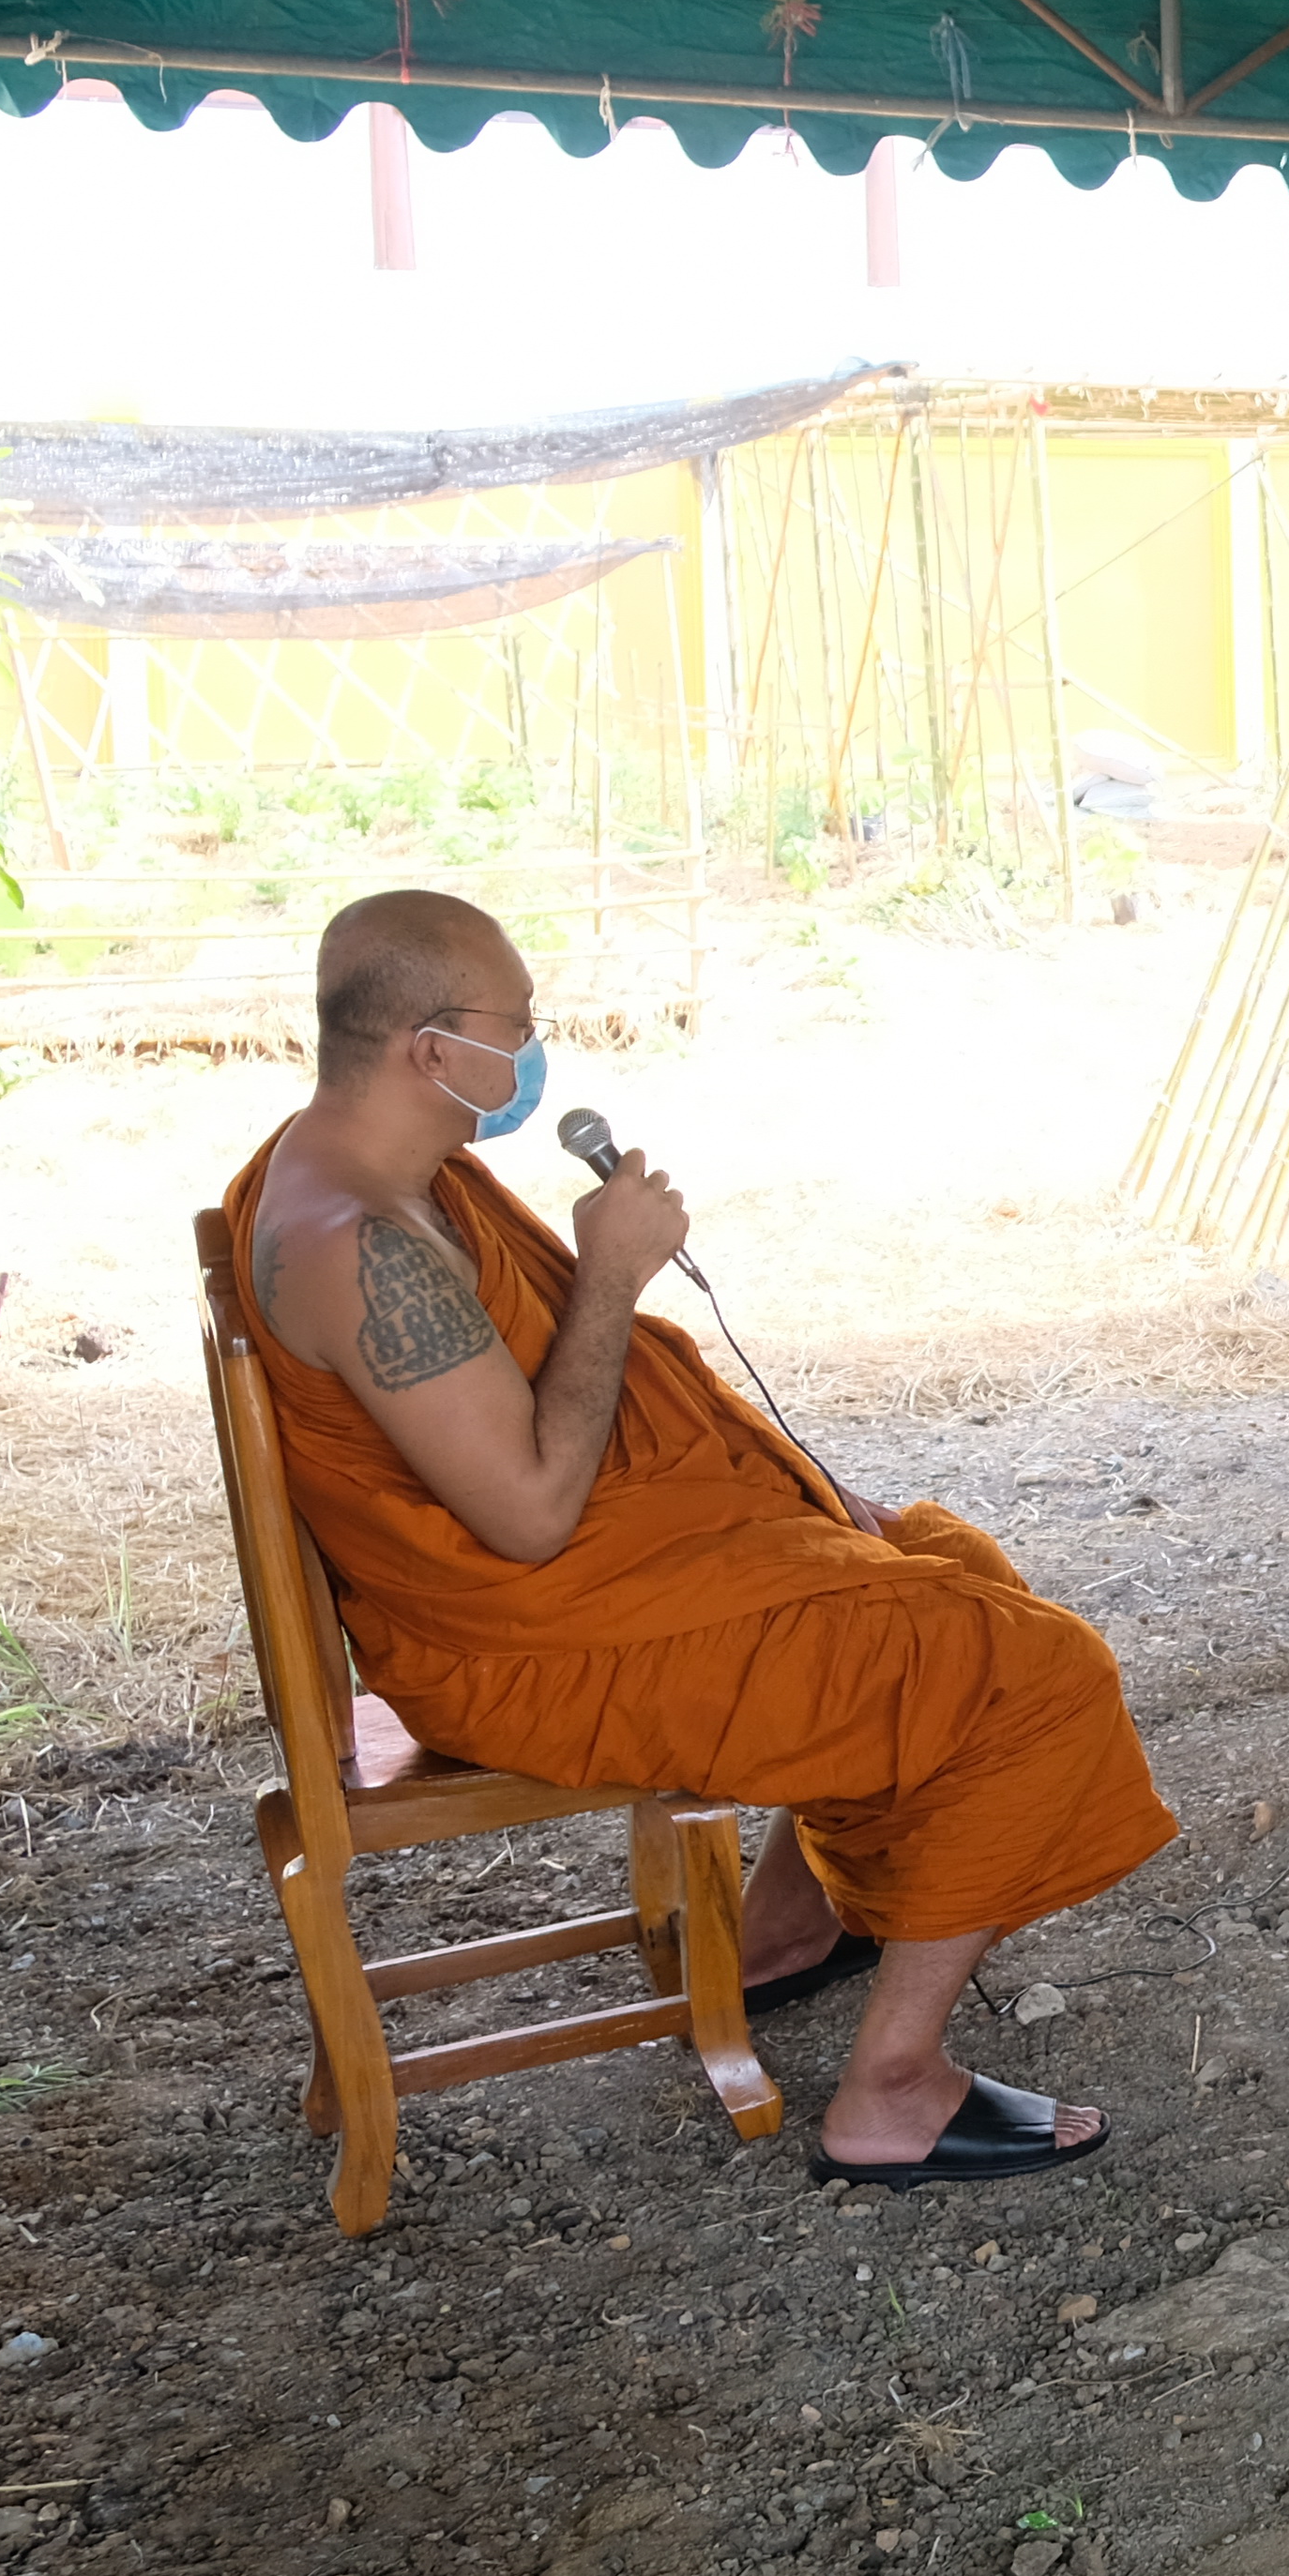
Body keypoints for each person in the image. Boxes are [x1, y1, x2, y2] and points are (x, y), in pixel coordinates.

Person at [226, 893, 1174, 2187]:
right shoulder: (358, 1243)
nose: (538, 1048)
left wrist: (780, 1501)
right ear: (431, 1048)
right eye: (521, 1025)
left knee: (947, 1564)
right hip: (531, 1650)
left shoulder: (374, 1164)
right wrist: (610, 1270)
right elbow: (530, 1512)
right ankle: (893, 2089)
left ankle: (784, 1928)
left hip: (581, 1593)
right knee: (1038, 1675)